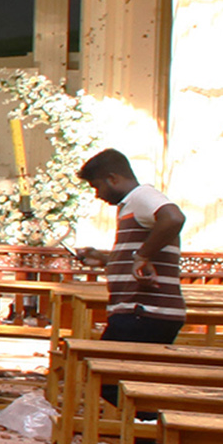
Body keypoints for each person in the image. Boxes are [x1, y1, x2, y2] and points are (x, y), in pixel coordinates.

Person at [78, 148, 186, 345]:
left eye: (97, 186)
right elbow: (139, 254)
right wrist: (105, 260)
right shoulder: (131, 206)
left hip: (144, 311)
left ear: (113, 179)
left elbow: (174, 218)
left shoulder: (142, 196)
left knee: (105, 368)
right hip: (139, 311)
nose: (97, 195)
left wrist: (142, 256)